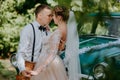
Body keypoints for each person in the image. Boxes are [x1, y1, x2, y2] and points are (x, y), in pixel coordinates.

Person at [29, 5, 69, 80]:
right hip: (55, 62)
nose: (52, 18)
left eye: (53, 16)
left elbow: (52, 54)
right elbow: (57, 43)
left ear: (59, 17)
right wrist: (50, 31)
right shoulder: (65, 28)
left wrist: (38, 70)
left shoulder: (59, 31)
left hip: (50, 64)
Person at [16, 4, 53, 80]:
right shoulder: (28, 29)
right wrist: (22, 69)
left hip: (41, 68)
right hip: (28, 66)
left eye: (52, 16)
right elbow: (21, 52)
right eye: (49, 15)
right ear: (39, 16)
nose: (51, 18)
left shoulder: (48, 31)